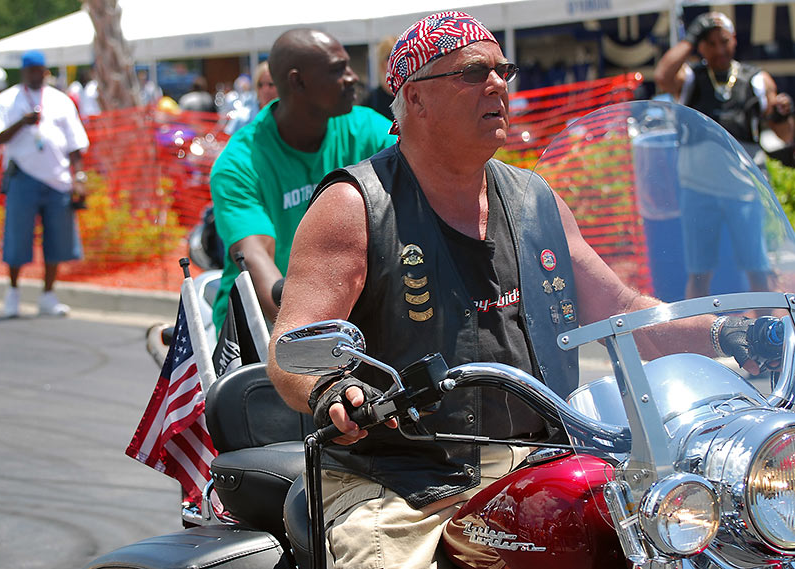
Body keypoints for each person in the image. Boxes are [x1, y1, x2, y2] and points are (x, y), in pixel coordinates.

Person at [267, 12, 772, 568]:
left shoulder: (536, 201)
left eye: (502, 70)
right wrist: (330, 391)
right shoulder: (354, 206)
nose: (497, 84)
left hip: (539, 463)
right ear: (414, 99)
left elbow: (626, 312)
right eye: (471, 73)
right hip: (398, 483)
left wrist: (737, 334)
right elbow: (293, 344)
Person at [208, 28, 397, 331]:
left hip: (349, 313)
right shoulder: (239, 163)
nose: (352, 77)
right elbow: (257, 262)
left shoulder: (367, 129)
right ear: (297, 81)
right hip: (264, 327)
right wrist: (309, 337)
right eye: (337, 70)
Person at [654, 12, 794, 299]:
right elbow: (662, 76)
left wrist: (782, 113)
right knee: (699, 272)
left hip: (744, 192)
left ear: (734, 41)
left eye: (724, 41)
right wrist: (691, 37)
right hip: (698, 190)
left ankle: (768, 331)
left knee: (758, 268)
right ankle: (696, 332)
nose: (719, 49)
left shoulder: (756, 80)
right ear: (701, 47)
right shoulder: (690, 78)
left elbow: (785, 134)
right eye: (710, 43)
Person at [0, 50, 90, 318]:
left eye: (40, 70)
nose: (37, 75)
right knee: (17, 237)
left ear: (45, 71)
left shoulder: (60, 100)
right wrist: (22, 122)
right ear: (23, 72)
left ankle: (48, 294)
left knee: (58, 239)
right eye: (31, 70)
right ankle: (13, 292)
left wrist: (79, 177)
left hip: (58, 179)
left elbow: (76, 143)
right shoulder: (7, 101)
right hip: (23, 177)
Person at [224, 61, 278, 135]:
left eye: (271, 84)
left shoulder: (289, 118)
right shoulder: (242, 118)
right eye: (260, 85)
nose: (265, 90)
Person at [360, 36, 396, 120]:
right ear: (382, 63)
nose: (396, 60)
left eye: (401, 56)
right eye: (390, 57)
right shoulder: (372, 100)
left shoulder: (412, 95)